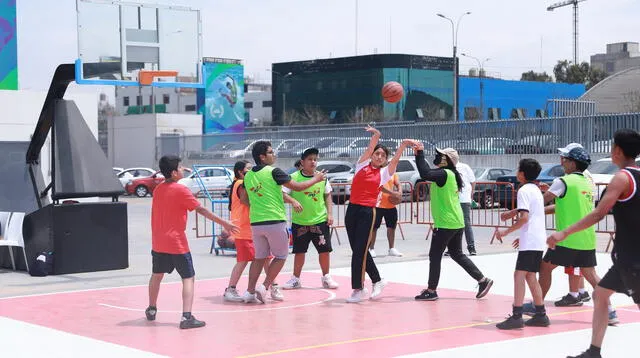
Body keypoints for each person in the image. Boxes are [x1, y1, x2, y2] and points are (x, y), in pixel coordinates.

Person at [548, 129, 640, 358]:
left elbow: (599, 214)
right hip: (624, 260)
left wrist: (563, 233)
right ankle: (594, 351)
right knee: (600, 294)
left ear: (617, 151)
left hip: (632, 260)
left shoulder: (622, 178)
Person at [525, 145, 618, 324]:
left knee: (544, 267)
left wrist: (520, 211)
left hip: (567, 239)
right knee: (591, 275)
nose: (563, 162)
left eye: (565, 160)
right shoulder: (587, 182)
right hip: (586, 238)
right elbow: (562, 205)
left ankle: (538, 306)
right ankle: (610, 312)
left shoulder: (563, 181)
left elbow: (540, 201)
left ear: (573, 163)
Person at [145, 155, 238, 329]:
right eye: (180, 168)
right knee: (188, 277)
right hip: (176, 243)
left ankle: (151, 309)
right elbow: (201, 209)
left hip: (158, 242)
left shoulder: (158, 189)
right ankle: (186, 317)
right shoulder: (180, 190)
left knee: (157, 275)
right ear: (173, 173)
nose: (183, 170)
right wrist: (225, 223)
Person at [239, 141, 326, 304]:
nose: (274, 155)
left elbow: (243, 198)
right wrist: (317, 179)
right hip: (275, 220)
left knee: (259, 258)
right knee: (280, 256)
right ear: (262, 157)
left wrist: (260, 204)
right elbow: (298, 187)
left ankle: (249, 292)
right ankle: (264, 287)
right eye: (271, 152)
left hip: (256, 222)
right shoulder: (274, 172)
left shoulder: (249, 175)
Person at [412, 144, 493, 301]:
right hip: (456, 221)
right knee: (457, 254)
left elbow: (424, 172)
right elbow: (428, 172)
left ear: (447, 160)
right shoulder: (450, 173)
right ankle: (483, 280)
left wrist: (419, 153)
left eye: (440, 155)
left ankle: (431, 290)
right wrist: (418, 154)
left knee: (435, 255)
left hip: (446, 223)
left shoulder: (445, 173)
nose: (436, 156)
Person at [344, 126, 412, 303]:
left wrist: (403, 145)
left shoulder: (384, 173)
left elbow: (395, 161)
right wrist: (377, 135)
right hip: (352, 210)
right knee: (359, 250)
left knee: (359, 251)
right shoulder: (361, 165)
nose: (379, 157)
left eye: (383, 155)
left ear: (385, 159)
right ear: (372, 155)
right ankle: (378, 280)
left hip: (368, 212)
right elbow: (369, 148)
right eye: (377, 154)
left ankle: (358, 289)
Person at [495, 159, 550, 329]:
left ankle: (517, 315)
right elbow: (531, 215)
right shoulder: (535, 189)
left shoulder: (523, 190)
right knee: (530, 276)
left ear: (522, 174)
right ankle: (540, 314)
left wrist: (505, 232)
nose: (517, 172)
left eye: (519, 170)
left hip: (531, 239)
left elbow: (524, 218)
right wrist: (513, 213)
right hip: (537, 239)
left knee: (519, 275)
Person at [282, 148, 339, 290]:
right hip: (300, 222)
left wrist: (330, 214)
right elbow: (282, 194)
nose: (313, 162)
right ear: (302, 162)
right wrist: (293, 201)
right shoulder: (293, 177)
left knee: (324, 250)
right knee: (299, 252)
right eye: (310, 159)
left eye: (315, 159)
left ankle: (326, 277)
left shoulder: (322, 177)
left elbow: (327, 195)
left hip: (319, 220)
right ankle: (295, 279)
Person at [222, 160, 272, 302]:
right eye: (248, 169)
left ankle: (272, 286)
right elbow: (247, 200)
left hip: (251, 227)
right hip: (244, 229)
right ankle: (230, 289)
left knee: (266, 258)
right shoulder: (240, 184)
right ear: (240, 172)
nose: (251, 171)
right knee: (243, 261)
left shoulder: (243, 183)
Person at [369, 165, 403, 258]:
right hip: (378, 204)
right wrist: (392, 193)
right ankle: (371, 249)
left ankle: (391, 248)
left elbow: (398, 183)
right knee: (374, 227)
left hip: (390, 205)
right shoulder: (378, 172)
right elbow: (379, 186)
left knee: (392, 227)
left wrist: (399, 192)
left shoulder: (393, 173)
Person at [457, 159, 477, 255]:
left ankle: (471, 246)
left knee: (466, 223)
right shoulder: (447, 168)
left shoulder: (464, 167)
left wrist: (471, 194)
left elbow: (473, 181)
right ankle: (454, 247)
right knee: (454, 223)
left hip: (464, 199)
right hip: (452, 200)